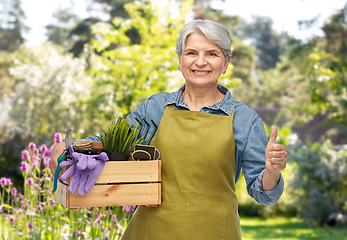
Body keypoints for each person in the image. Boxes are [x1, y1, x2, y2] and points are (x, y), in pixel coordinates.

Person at [50, 19, 288, 240]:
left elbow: (264, 194)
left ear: (225, 62)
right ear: (179, 59)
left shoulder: (245, 119)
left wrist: (271, 171)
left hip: (215, 232)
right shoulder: (155, 107)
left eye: (212, 54)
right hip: (152, 230)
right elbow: (110, 143)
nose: (200, 61)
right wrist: (69, 148)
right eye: (192, 52)